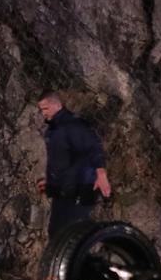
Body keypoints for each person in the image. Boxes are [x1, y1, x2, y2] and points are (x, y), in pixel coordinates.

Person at [35, 92, 110, 236]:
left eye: (46, 108)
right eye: (41, 110)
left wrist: (101, 174)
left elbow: (93, 147)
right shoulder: (55, 129)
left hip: (80, 187)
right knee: (56, 232)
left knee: (74, 235)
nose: (43, 113)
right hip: (63, 189)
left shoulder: (73, 125)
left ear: (57, 105)